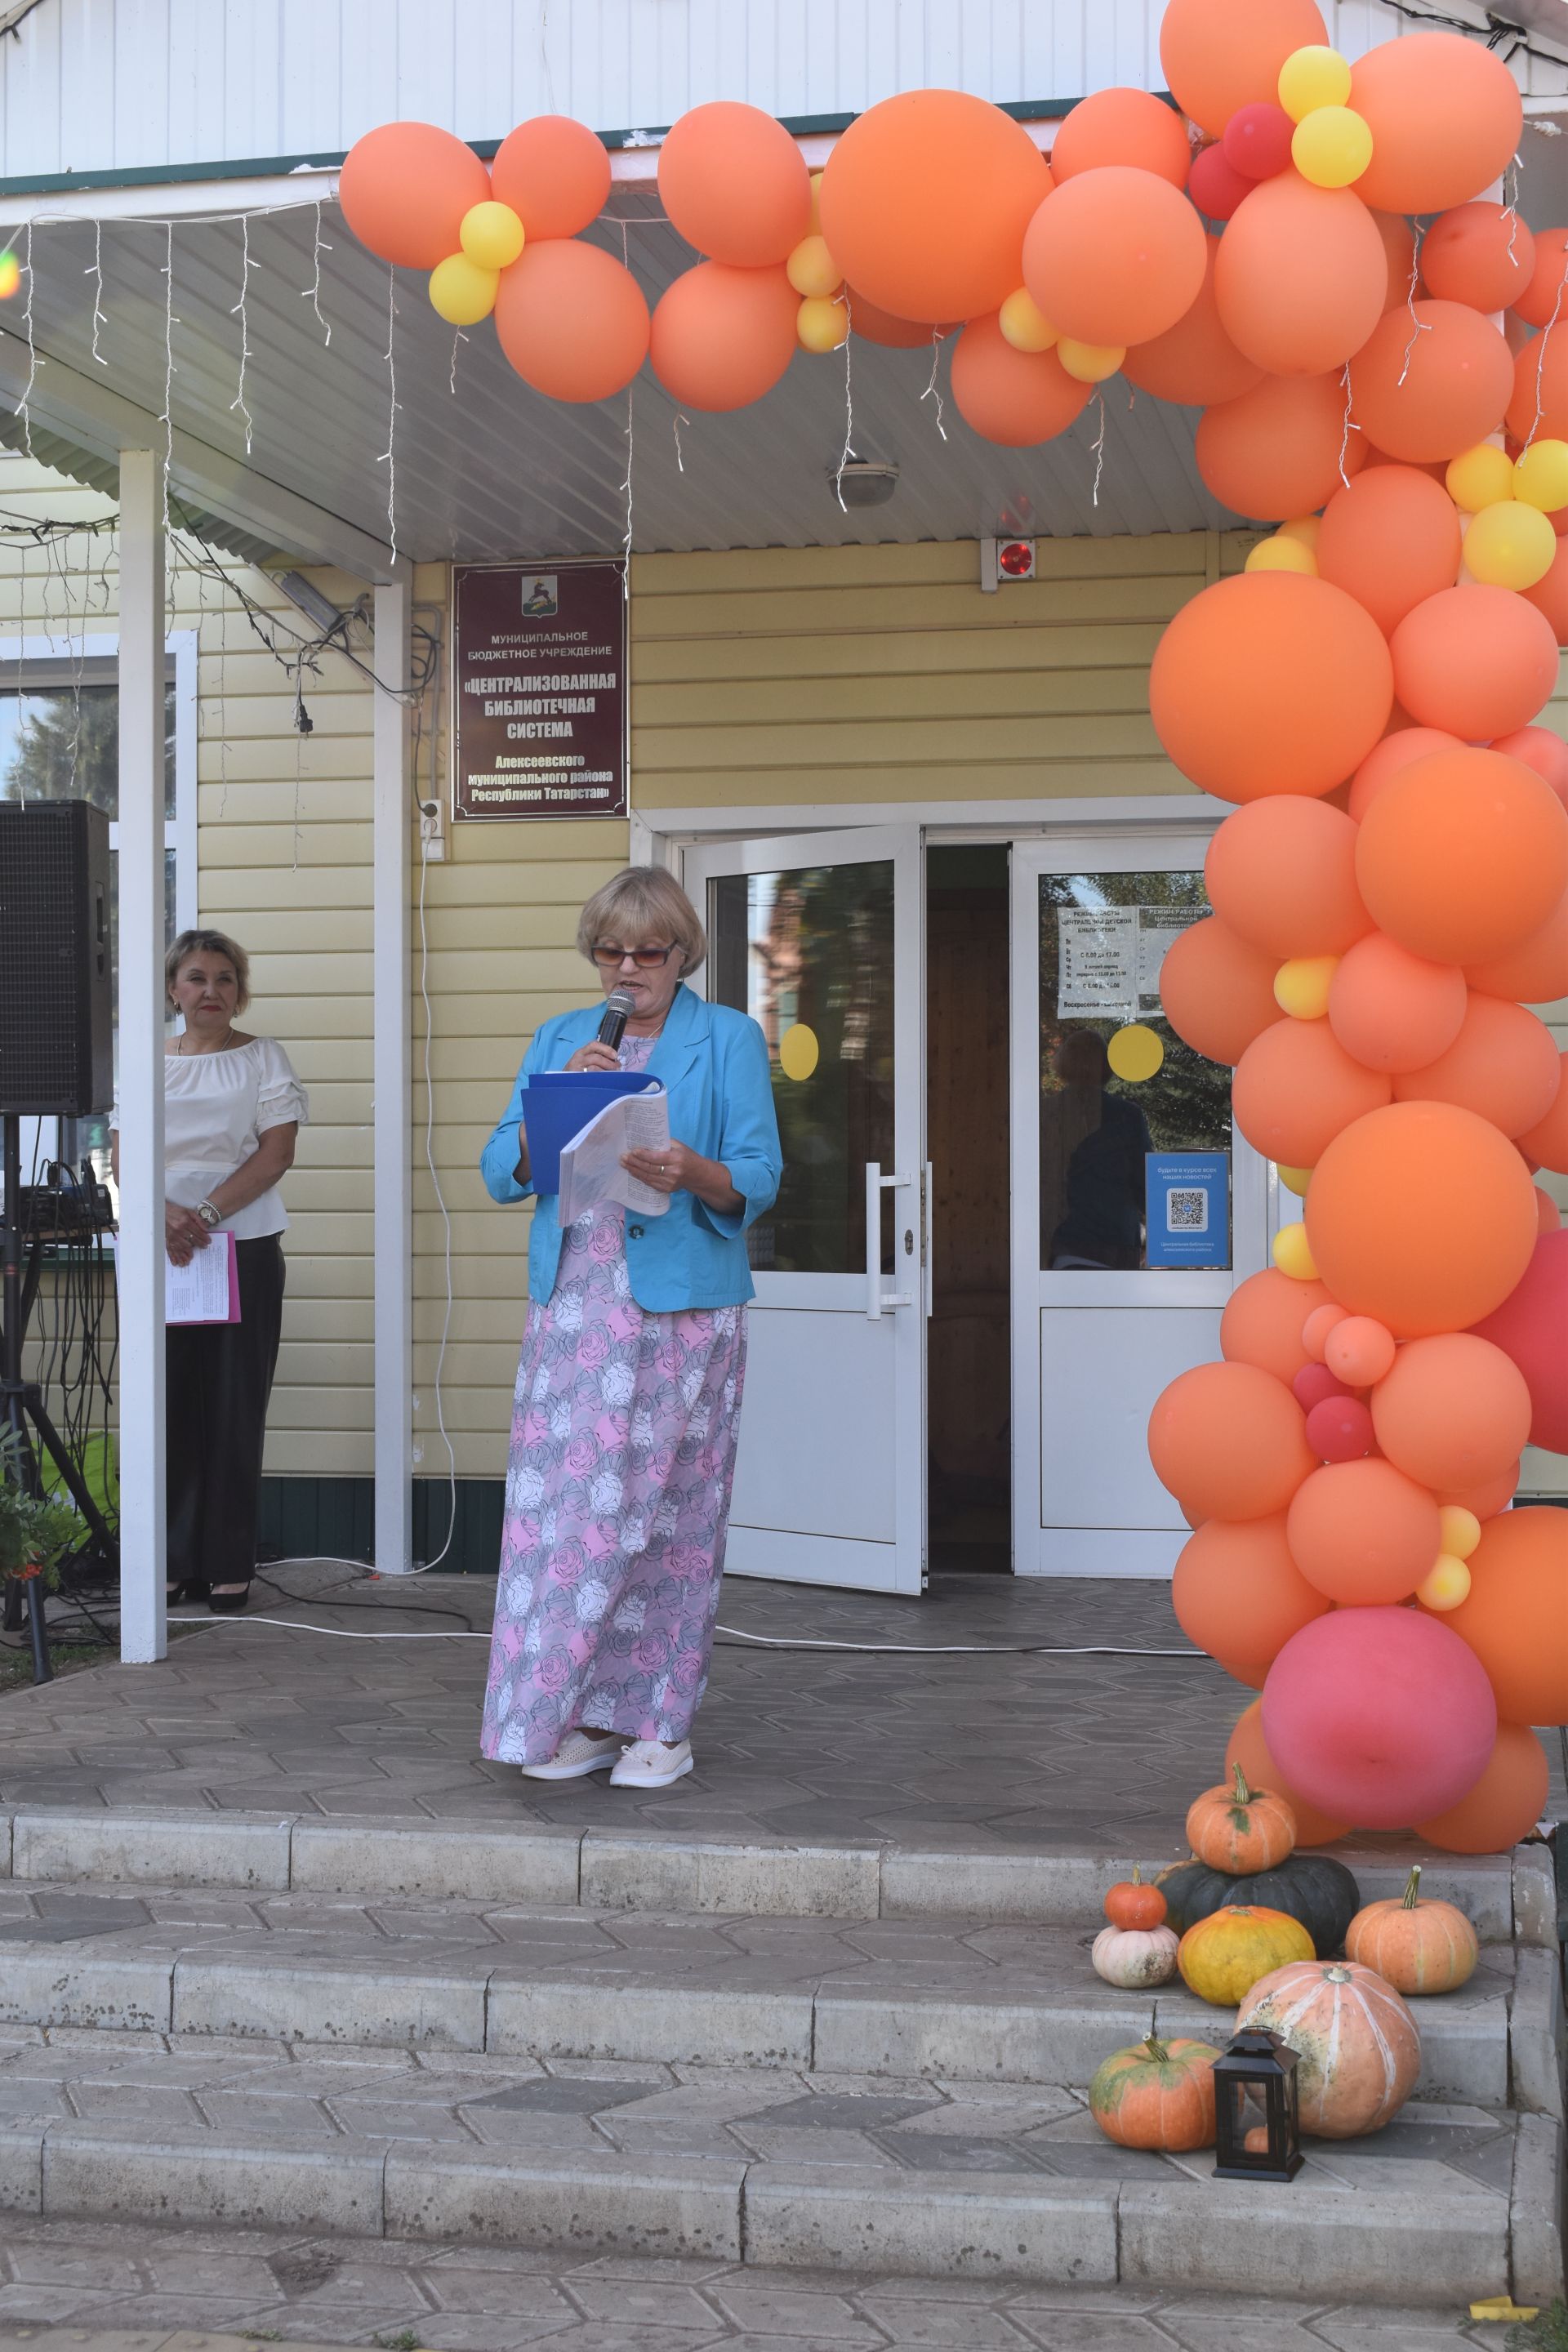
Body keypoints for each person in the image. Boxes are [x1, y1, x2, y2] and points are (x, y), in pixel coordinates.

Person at [479, 866, 782, 1791]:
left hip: (682, 1310)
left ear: (683, 952)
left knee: (669, 1517)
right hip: (578, 1307)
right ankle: (568, 1713)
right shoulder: (562, 1037)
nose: (627, 968)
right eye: (610, 950)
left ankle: (658, 1721)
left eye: (648, 951)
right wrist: (553, 1109)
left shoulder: (724, 1037)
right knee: (564, 1519)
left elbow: (759, 1176)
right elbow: (501, 1170)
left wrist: (691, 1168)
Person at [111, 929, 307, 1613]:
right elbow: (121, 1152)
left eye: (225, 979)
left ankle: (226, 1561)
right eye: (196, 978)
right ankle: (167, 1558)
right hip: (155, 1243)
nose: (211, 991)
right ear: (173, 988)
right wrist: (159, 1212)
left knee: (231, 1405)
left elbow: (275, 1154)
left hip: (239, 1243)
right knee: (165, 1400)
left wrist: (200, 1211)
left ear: (239, 991)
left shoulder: (263, 1059)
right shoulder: (143, 1060)